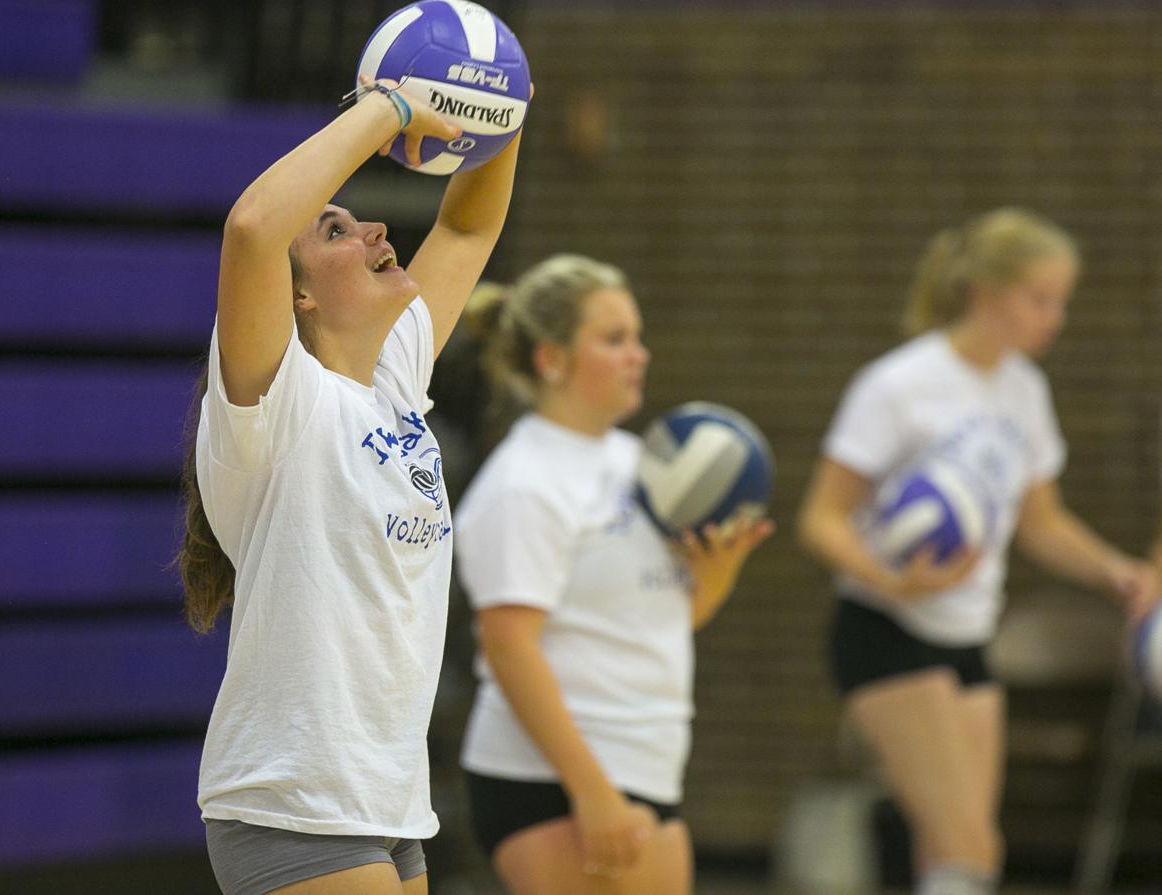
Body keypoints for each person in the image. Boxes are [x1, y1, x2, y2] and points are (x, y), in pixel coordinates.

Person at [173, 75, 525, 895]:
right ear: (295, 293)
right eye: (335, 228)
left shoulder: (392, 384)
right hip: (293, 802)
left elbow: (468, 225)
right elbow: (253, 227)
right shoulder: (277, 399)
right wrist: (389, 109)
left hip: (388, 803)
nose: (376, 229)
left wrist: (499, 109)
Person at [797, 207, 1158, 895]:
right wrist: (889, 579)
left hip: (967, 636)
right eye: (1040, 299)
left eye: (1061, 301)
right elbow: (821, 518)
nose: (1055, 318)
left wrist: (1117, 571)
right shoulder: (898, 384)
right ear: (988, 294)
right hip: (886, 631)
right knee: (969, 845)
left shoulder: (1024, 389)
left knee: (955, 851)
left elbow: (1041, 521)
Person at [452, 254, 774, 895]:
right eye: (615, 339)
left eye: (637, 337)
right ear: (552, 359)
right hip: (551, 779)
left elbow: (652, 624)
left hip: (646, 763)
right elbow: (507, 645)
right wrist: (591, 791)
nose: (639, 355)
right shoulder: (524, 482)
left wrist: (719, 573)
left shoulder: (639, 464)